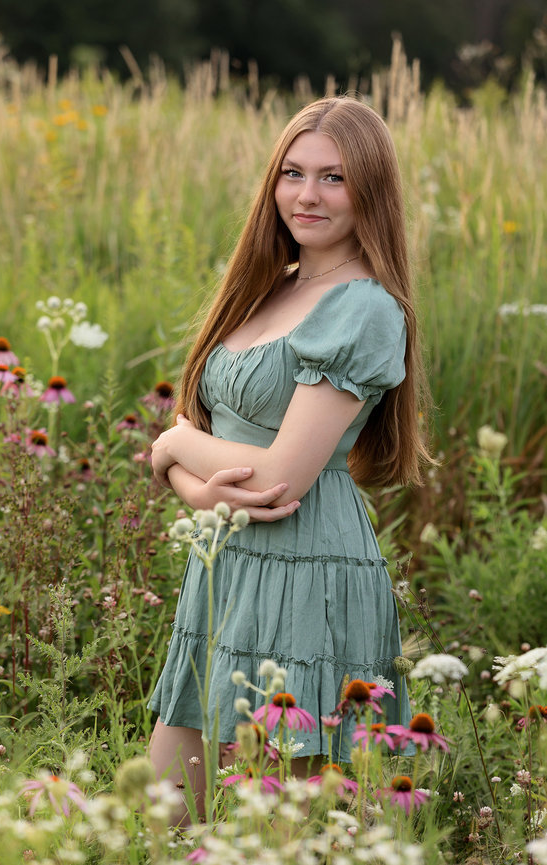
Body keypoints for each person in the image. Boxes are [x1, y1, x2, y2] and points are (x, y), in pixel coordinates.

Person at [148, 95, 431, 813]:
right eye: (293, 173)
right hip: (225, 561)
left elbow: (277, 477)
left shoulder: (364, 307)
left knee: (286, 828)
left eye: (333, 177)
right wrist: (196, 490)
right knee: (164, 812)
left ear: (370, 188)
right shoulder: (269, 288)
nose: (306, 196)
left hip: (311, 566)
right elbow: (219, 458)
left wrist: (174, 445)